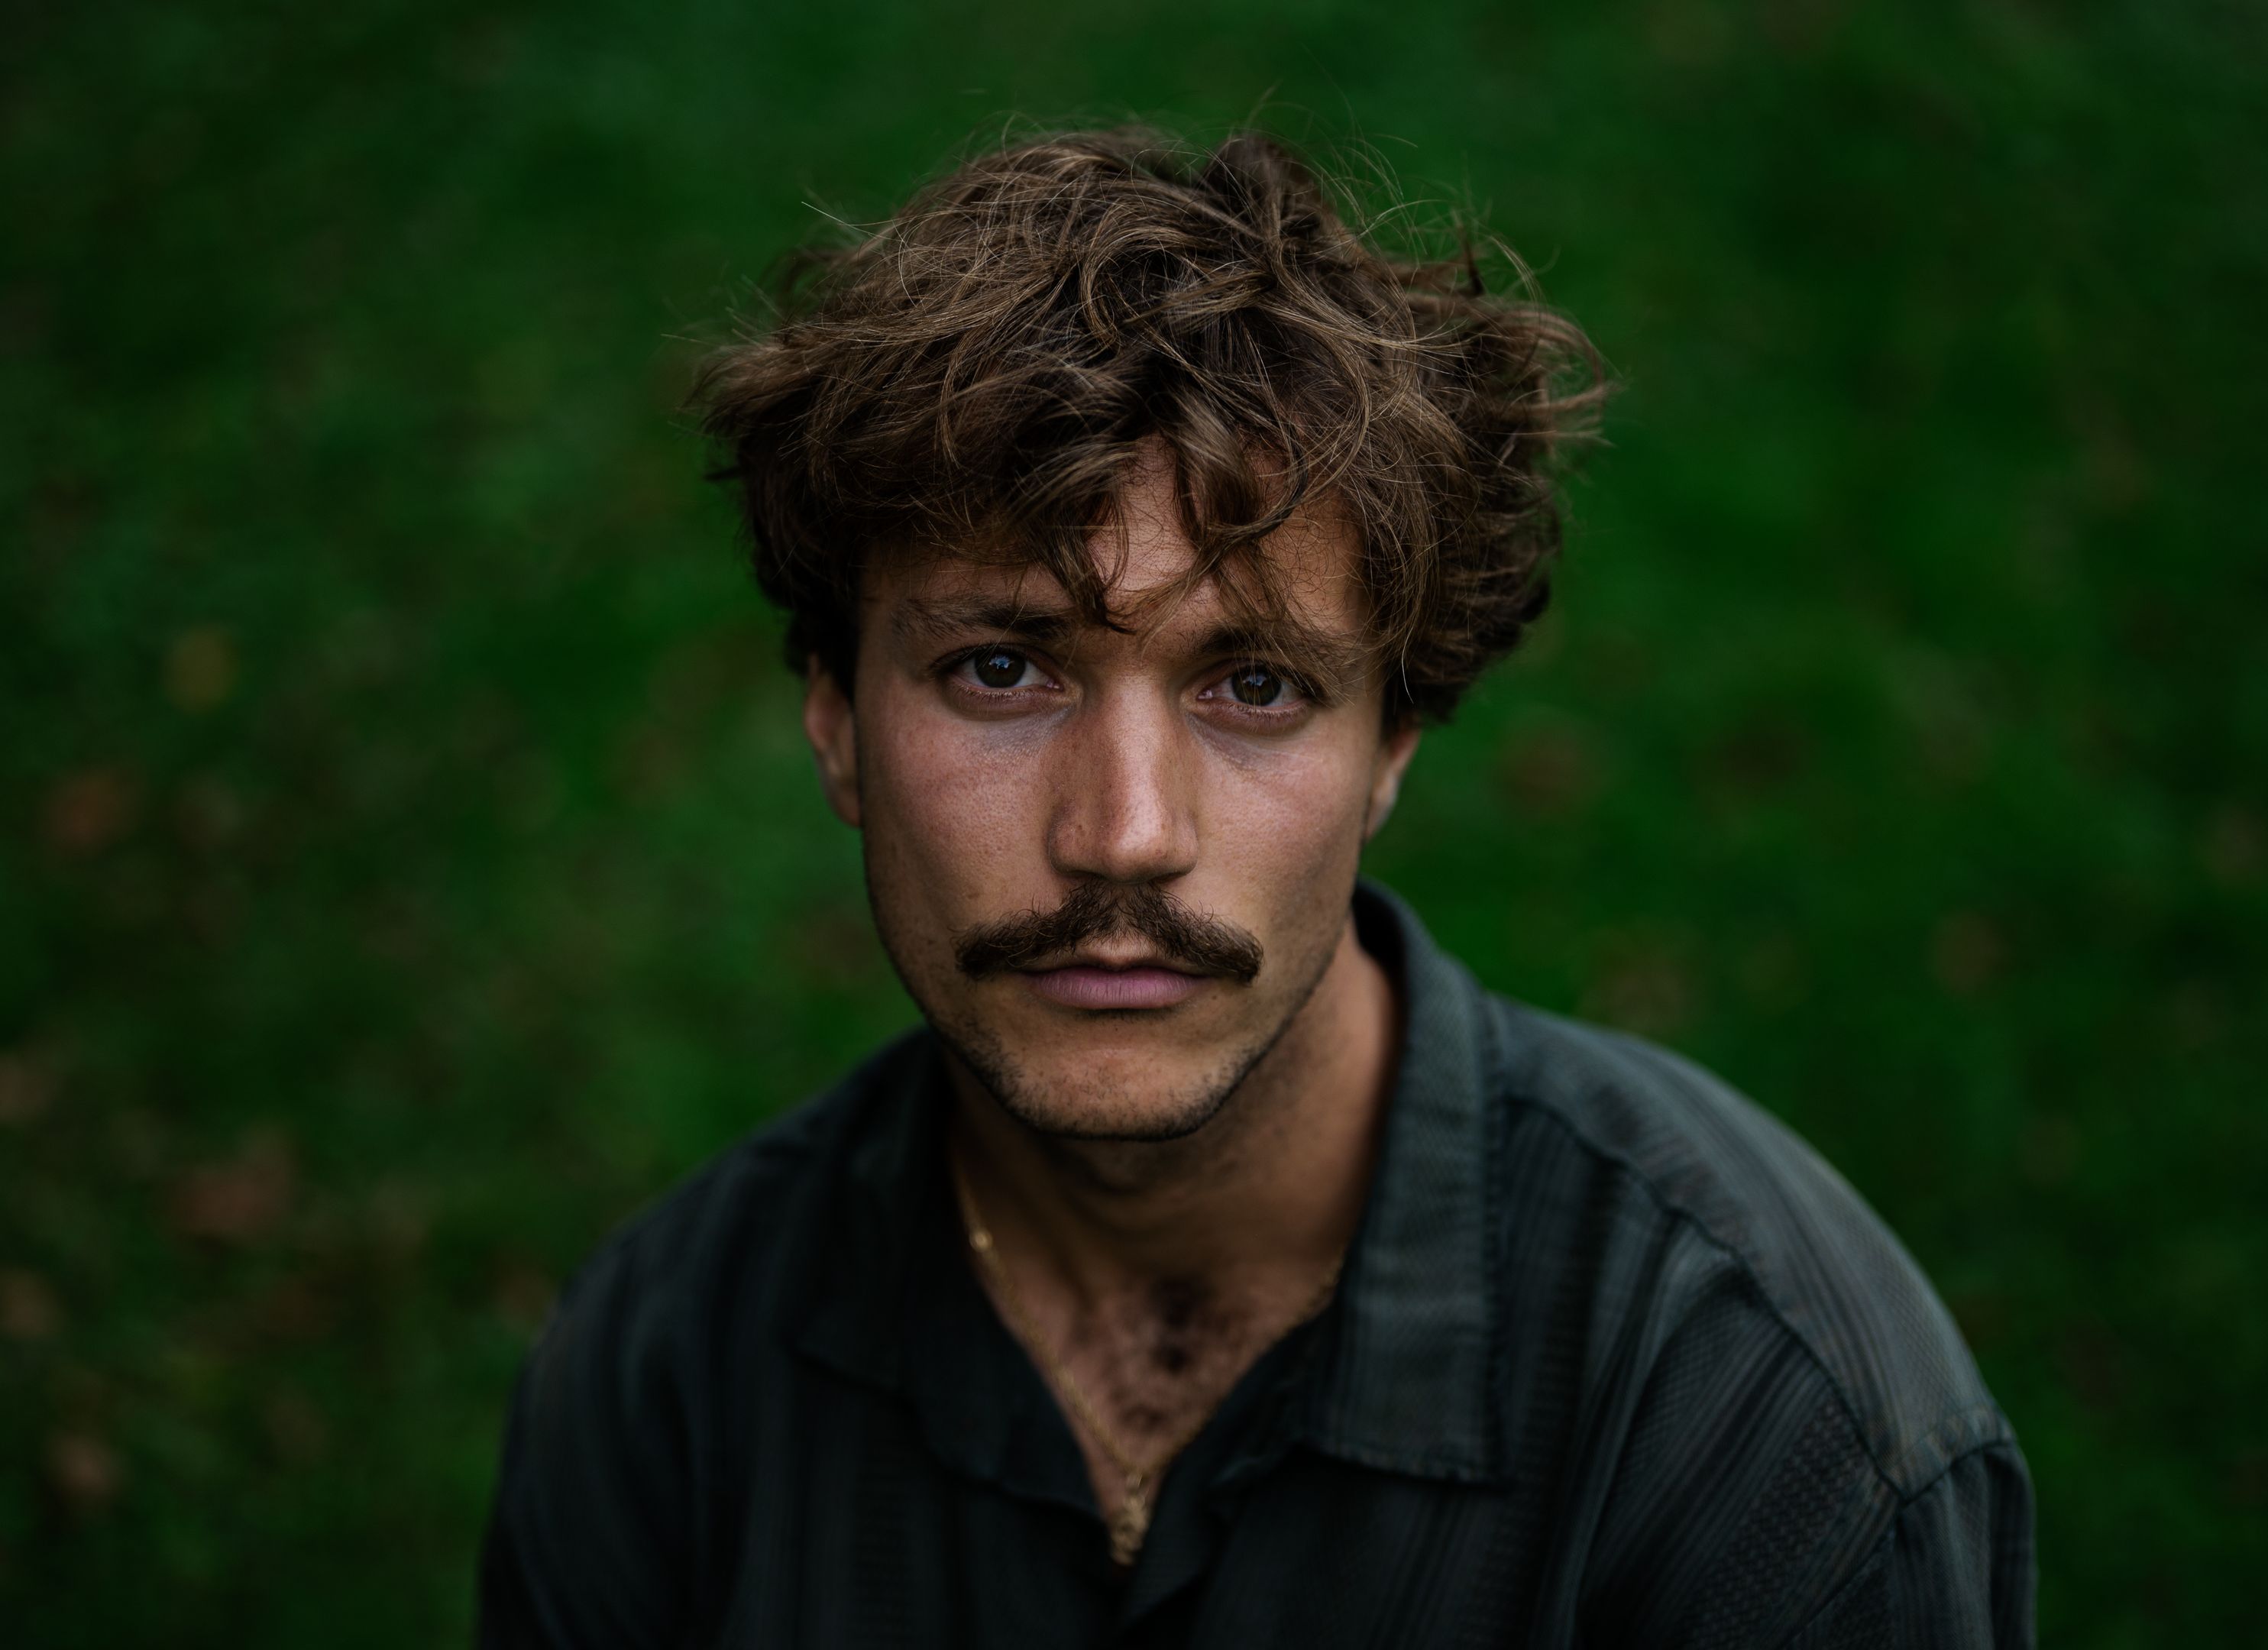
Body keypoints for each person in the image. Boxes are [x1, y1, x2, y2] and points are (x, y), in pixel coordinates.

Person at [477, 127, 2034, 1648]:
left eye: (1256, 686)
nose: (1125, 834)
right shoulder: (662, 1380)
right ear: (835, 721)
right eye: (1002, 669)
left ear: (1391, 748)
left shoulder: (1768, 1423)